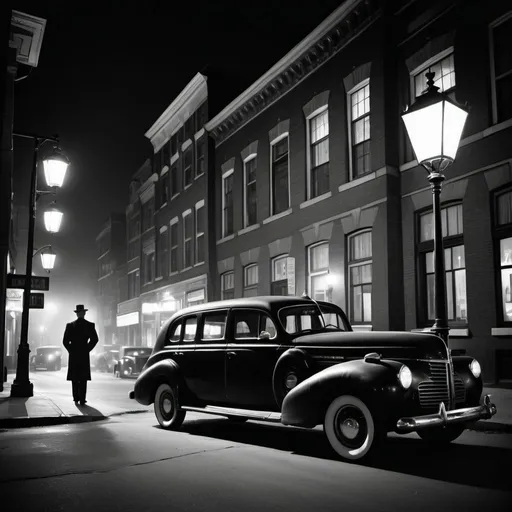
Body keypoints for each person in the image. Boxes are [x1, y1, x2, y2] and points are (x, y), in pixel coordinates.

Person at [63, 304, 99, 405]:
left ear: (77, 314)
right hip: (83, 353)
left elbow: (65, 341)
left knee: (75, 377)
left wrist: (71, 350)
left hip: (74, 353)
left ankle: (76, 398)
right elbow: (95, 339)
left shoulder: (70, 325)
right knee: (82, 378)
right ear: (84, 313)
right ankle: (82, 398)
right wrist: (87, 348)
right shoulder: (89, 325)